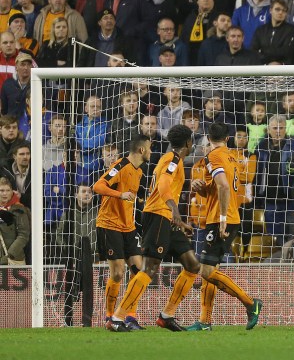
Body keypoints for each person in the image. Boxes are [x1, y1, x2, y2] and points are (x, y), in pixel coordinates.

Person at [106, 125, 262, 332]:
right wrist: (176, 213)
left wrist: (179, 219)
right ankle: (117, 317)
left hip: (167, 218)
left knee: (192, 265)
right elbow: (163, 185)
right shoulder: (172, 160)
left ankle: (167, 315)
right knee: (150, 268)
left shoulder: (174, 159)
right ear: (188, 143)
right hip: (159, 215)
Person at [182, 122, 262, 331]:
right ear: (228, 139)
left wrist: (223, 218)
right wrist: (203, 188)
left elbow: (225, 186)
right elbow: (220, 187)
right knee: (211, 270)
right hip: (226, 216)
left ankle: (250, 303)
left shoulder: (213, 157)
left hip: (220, 219)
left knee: (206, 271)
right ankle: (205, 321)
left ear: (208, 138)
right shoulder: (233, 157)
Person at [92, 135, 149, 330]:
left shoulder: (139, 171)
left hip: (128, 226)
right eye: (149, 148)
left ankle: (129, 317)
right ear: (141, 150)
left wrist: (140, 201)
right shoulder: (120, 165)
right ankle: (110, 317)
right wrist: (120, 194)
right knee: (117, 273)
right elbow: (98, 186)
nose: (151, 152)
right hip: (109, 225)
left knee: (138, 272)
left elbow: (131, 195)